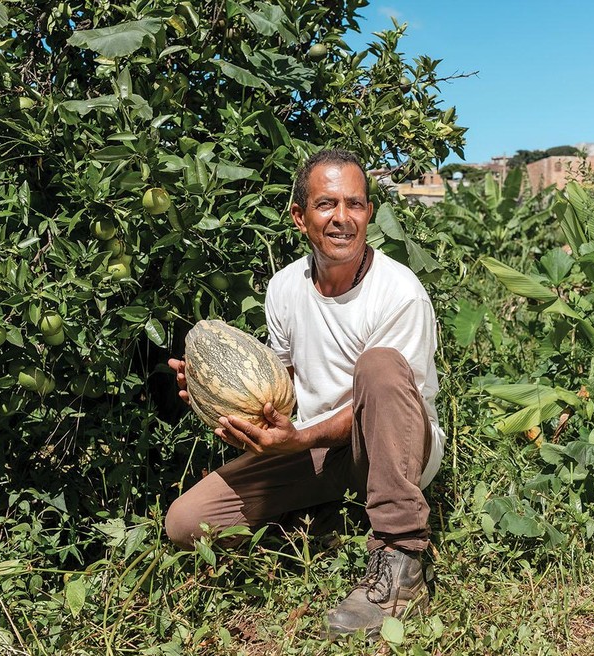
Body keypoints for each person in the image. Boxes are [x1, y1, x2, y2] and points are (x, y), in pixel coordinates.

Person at [165, 149, 445, 639]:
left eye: (355, 205)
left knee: (378, 368)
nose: (342, 218)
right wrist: (221, 401)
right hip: (312, 444)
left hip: (390, 447)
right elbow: (287, 386)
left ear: (369, 213)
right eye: (326, 204)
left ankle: (400, 560)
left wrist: (299, 438)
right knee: (187, 522)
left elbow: (393, 405)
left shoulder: (400, 292)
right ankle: (320, 524)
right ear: (300, 216)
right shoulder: (283, 288)